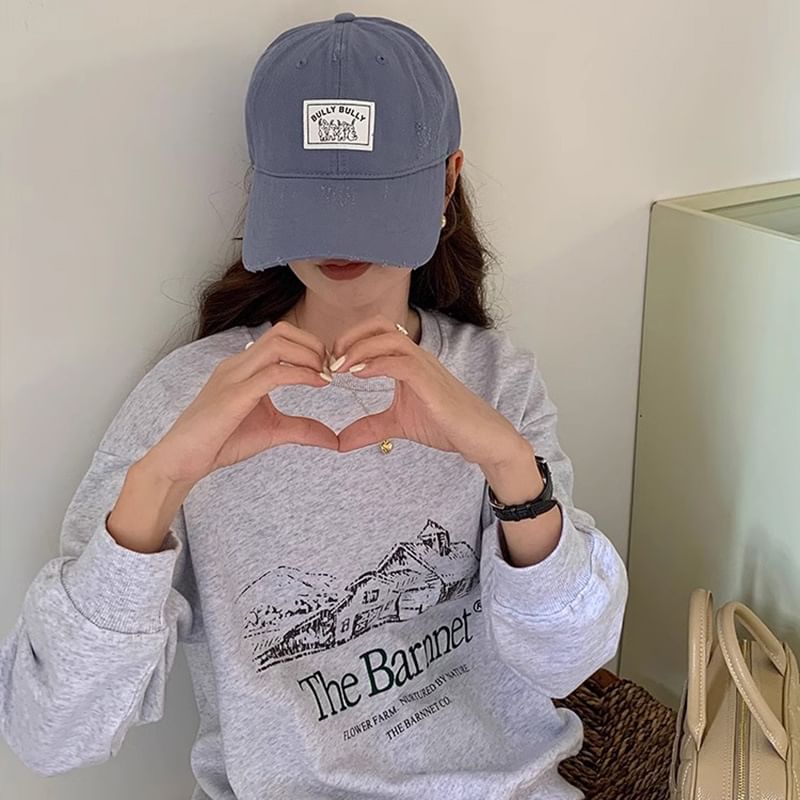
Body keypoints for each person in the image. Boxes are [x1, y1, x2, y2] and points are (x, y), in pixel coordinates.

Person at [0, 12, 628, 800]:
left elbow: (570, 661)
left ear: (446, 181)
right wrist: (156, 488)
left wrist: (509, 467)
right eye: (313, 203)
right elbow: (50, 732)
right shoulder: (188, 398)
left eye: (370, 203)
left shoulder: (494, 379)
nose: (340, 240)